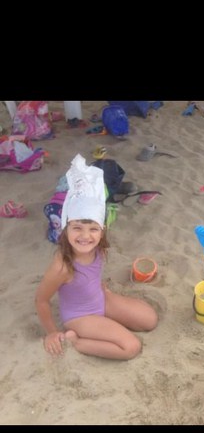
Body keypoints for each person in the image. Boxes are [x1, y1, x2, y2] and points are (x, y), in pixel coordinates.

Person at [35, 154, 158, 360]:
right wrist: (52, 333)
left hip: (100, 298)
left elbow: (92, 275)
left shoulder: (99, 248)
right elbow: (41, 300)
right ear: (66, 230)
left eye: (93, 229)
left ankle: (106, 321)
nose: (85, 236)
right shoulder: (62, 266)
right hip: (80, 316)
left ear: (102, 231)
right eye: (77, 228)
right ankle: (76, 341)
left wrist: (103, 290)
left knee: (150, 320)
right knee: (130, 347)